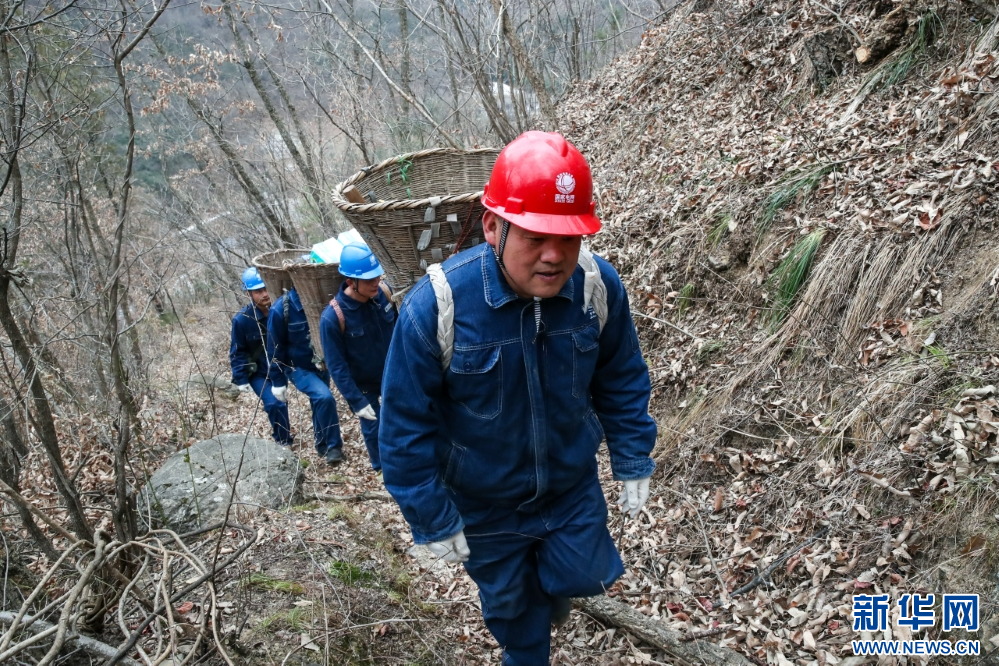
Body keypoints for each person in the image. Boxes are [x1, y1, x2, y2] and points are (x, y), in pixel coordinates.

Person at [379, 131, 657, 665]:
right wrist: (432, 517)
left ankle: (547, 595)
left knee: (585, 575)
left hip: (570, 489)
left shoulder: (596, 288)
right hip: (486, 505)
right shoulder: (437, 308)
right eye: (533, 236)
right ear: (493, 227)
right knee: (518, 627)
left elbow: (621, 376)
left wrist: (631, 454)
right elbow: (403, 428)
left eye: (569, 238)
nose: (555, 257)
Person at [319, 243, 396, 474]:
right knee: (374, 427)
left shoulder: (384, 293)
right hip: (363, 385)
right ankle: (382, 468)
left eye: (377, 276)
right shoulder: (333, 317)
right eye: (369, 279)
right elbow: (336, 366)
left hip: (393, 374)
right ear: (351, 281)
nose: (376, 282)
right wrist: (356, 402)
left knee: (402, 420)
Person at [266, 283, 345, 464]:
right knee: (324, 397)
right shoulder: (281, 309)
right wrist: (278, 381)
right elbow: (274, 348)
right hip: (296, 367)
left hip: (320, 362)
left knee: (319, 402)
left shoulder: (322, 302)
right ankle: (334, 447)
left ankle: (322, 445)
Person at [229, 267, 292, 446]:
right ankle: (284, 442)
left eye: (266, 288)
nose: (264, 294)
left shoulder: (283, 310)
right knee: (274, 403)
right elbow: (237, 351)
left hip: (283, 366)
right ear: (249, 294)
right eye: (258, 291)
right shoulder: (242, 320)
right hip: (259, 372)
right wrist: (241, 379)